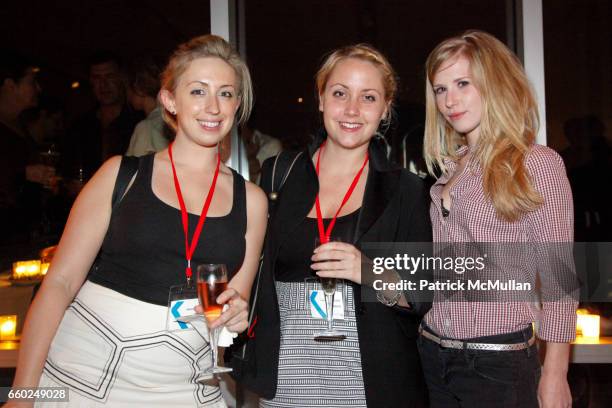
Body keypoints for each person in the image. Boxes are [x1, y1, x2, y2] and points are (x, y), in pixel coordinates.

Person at [8, 35, 267, 407]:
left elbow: (230, 310)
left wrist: (236, 316)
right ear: (169, 100)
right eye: (198, 91)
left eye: (226, 94)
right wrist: (22, 395)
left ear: (237, 105)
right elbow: (59, 285)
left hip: (187, 383)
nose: (213, 106)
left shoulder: (252, 202)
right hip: (84, 376)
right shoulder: (119, 175)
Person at [238, 44, 431, 407]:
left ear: (385, 108)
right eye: (340, 93)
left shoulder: (406, 189)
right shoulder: (280, 173)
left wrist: (369, 272)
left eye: (368, 97)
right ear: (321, 98)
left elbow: (422, 297)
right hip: (287, 381)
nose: (353, 109)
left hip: (372, 385)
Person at [420, 30, 577, 408]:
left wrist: (555, 373)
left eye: (462, 84)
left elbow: (559, 278)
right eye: (440, 89)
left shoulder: (535, 163)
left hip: (497, 363)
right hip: (433, 352)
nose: (449, 100)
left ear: (494, 83)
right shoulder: (451, 167)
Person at [60, 52, 142, 188]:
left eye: (110, 76)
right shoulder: (80, 126)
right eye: (97, 78)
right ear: (91, 81)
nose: (103, 84)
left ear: (121, 78)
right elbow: (68, 170)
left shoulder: (137, 122)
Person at [0, 51, 54, 245]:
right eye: (32, 82)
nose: (38, 89)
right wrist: (23, 173)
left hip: (21, 233)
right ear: (10, 85)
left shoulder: (19, 125)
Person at [125, 57, 172, 157]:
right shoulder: (173, 120)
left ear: (138, 88)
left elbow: (135, 171)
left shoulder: (146, 128)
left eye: (127, 87)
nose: (127, 94)